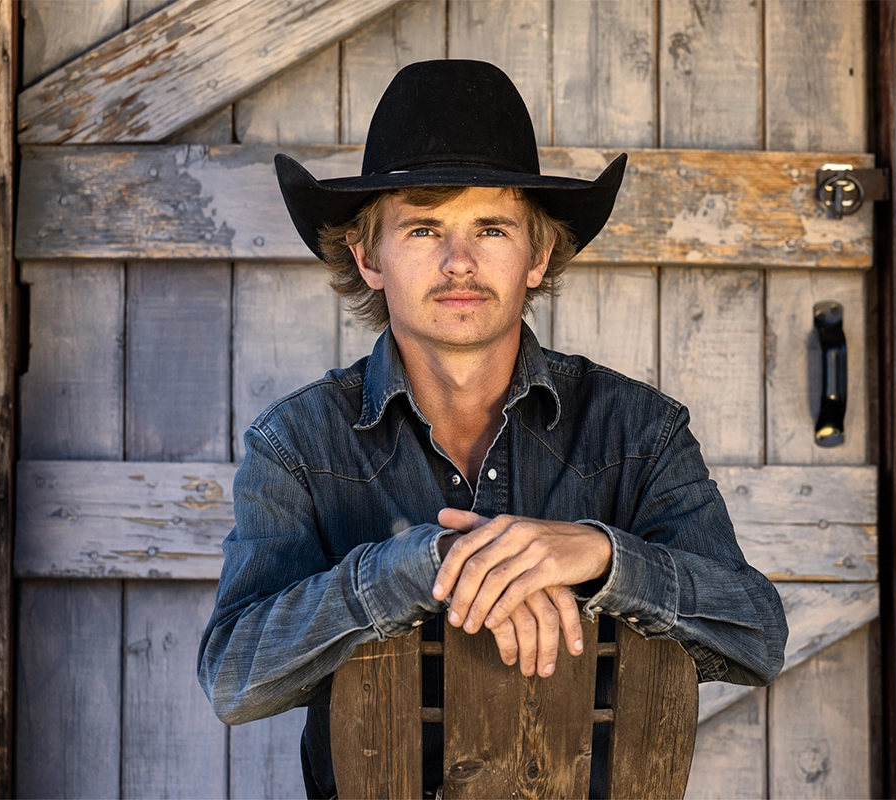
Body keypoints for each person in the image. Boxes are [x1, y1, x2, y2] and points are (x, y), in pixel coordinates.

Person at [198, 59, 787, 798]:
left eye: (491, 227)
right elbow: (234, 679)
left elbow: (757, 637)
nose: (459, 262)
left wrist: (603, 559)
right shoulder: (298, 443)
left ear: (537, 254)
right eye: (422, 227)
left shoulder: (639, 431)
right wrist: (420, 565)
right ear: (367, 256)